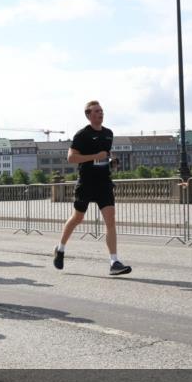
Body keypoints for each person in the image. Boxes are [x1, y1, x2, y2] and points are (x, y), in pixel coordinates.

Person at [53, 100, 131, 275]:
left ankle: (114, 262)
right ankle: (60, 248)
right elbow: (71, 158)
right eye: (96, 111)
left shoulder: (109, 134)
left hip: (104, 182)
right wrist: (95, 155)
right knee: (77, 218)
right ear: (88, 115)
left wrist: (112, 161)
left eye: (102, 111)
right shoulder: (82, 135)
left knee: (110, 221)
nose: (100, 113)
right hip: (86, 183)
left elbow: (105, 156)